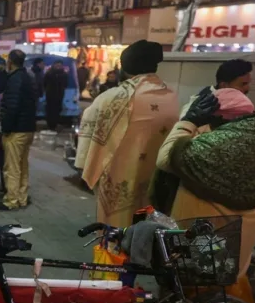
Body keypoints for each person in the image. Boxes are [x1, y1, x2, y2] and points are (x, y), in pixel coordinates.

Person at [151, 88, 255, 303]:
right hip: (242, 238)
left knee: (195, 300)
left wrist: (187, 122)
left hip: (206, 238)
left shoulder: (210, 147)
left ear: (221, 118)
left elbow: (166, 157)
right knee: (221, 300)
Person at [76, 40, 180, 228]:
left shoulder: (113, 97)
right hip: (157, 183)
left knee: (117, 234)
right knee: (149, 234)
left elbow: (89, 139)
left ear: (126, 66)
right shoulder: (171, 95)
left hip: (119, 179)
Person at [0, 49, 37, 211]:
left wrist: (6, 128)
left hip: (16, 130)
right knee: (23, 165)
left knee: (12, 167)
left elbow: (12, 106)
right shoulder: (29, 77)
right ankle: (22, 198)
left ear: (10, 62)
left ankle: (11, 200)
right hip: (28, 128)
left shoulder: (14, 79)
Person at [180, 59, 254, 119]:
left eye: (248, 83)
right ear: (224, 85)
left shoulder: (241, 104)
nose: (247, 88)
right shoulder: (198, 107)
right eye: (243, 84)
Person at [43, 61, 68, 130]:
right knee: (50, 110)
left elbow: (66, 84)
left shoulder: (64, 74)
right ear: (54, 65)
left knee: (57, 110)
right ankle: (50, 124)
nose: (58, 67)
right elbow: (44, 83)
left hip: (59, 95)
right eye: (57, 65)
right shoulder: (49, 73)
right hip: (50, 95)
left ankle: (54, 124)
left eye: (60, 65)